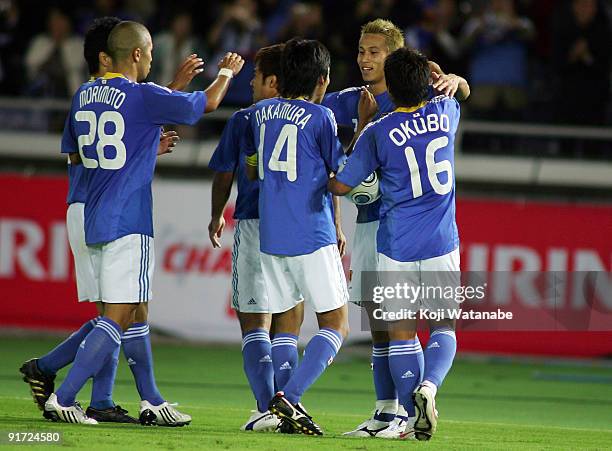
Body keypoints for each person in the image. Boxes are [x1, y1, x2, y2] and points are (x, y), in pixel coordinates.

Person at [42, 20, 244, 425]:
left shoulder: (83, 96)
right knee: (118, 315)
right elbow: (205, 104)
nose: (152, 57)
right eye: (149, 50)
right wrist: (227, 73)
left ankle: (145, 399)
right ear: (136, 54)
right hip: (128, 217)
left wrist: (142, 153)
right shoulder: (142, 95)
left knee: (127, 311)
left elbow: (81, 157)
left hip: (93, 211)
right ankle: (63, 397)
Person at [322, 18, 468, 439]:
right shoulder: (440, 107)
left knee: (396, 326)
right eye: (362, 51)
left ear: (394, 59)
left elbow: (342, 181)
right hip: (422, 236)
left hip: (392, 236)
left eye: (375, 53)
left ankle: (403, 414)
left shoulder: (378, 125)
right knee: (386, 326)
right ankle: (390, 410)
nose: (365, 59)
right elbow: (311, 110)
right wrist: (454, 79)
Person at [244, 38, 349, 436]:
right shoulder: (322, 117)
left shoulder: (262, 113)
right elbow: (340, 176)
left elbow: (252, 170)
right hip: (311, 232)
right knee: (336, 324)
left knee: (287, 322)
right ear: (322, 80)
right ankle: (289, 397)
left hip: (272, 235)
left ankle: (282, 410)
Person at [208, 43, 305, 432]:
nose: (250, 83)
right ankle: (286, 405)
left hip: (252, 223)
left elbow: (224, 173)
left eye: (255, 76)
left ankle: (266, 407)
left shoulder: (245, 119)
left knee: (254, 323)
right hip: (297, 230)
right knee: (288, 322)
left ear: (273, 81)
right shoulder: (310, 117)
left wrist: (216, 214)